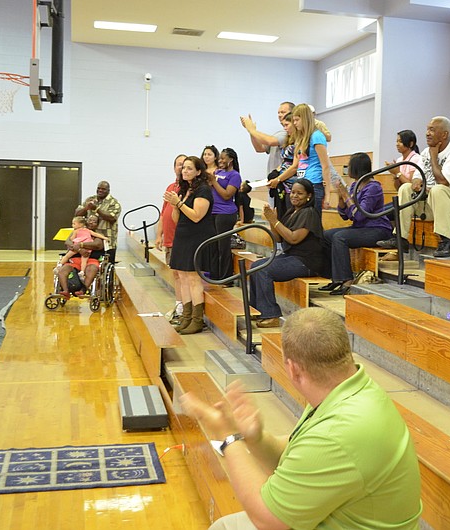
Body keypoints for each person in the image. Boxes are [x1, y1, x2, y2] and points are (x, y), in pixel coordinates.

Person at [180, 307, 422, 530]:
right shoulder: (351, 389)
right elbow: (293, 458)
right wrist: (256, 438)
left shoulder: (336, 433)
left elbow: (266, 518)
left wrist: (228, 437)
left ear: (293, 369)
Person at [379, 116, 450, 258]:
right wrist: (416, 181)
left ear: (444, 134)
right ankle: (401, 238)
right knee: (405, 188)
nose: (427, 133)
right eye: (427, 129)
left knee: (438, 189)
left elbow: (442, 181)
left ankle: (445, 241)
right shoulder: (424, 152)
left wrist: (434, 156)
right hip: (433, 205)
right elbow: (418, 174)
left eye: (432, 130)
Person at [250, 179, 324, 328]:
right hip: (292, 256)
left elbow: (293, 238)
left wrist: (275, 221)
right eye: (293, 192)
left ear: (309, 196)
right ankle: (258, 310)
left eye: (300, 193)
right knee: (255, 266)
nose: (295, 196)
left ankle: (271, 315)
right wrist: (272, 222)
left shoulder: (309, 213)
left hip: (307, 261)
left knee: (263, 270)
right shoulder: (292, 211)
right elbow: (278, 238)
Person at [319, 152, 392, 296]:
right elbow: (346, 216)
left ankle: (346, 280)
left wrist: (346, 196)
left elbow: (359, 215)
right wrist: (341, 198)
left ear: (357, 168)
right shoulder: (354, 186)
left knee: (340, 237)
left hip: (377, 229)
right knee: (325, 236)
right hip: (361, 228)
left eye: (350, 165)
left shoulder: (373, 187)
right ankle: (335, 277)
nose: (347, 168)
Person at [163, 156, 217, 335]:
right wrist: (176, 206)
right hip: (183, 235)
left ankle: (197, 319)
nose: (184, 171)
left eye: (189, 168)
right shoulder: (185, 189)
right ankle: (186, 317)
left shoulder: (203, 190)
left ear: (199, 171)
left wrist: (178, 203)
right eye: (183, 168)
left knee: (193, 278)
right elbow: (177, 219)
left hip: (197, 237)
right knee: (182, 277)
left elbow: (196, 216)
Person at [156, 154, 187, 322]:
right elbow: (163, 213)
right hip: (168, 237)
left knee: (182, 274)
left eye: (184, 165)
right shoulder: (170, 186)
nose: (180, 168)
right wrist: (158, 235)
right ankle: (179, 304)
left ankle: (184, 308)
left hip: (180, 237)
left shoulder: (188, 188)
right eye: (178, 164)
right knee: (175, 274)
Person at [209, 147, 242, 280]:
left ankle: (226, 277)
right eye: (220, 158)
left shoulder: (234, 175)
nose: (220, 160)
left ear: (231, 160)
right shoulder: (217, 172)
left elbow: (227, 195)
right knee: (213, 246)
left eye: (223, 158)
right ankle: (215, 275)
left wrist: (214, 181)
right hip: (213, 212)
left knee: (223, 247)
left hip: (225, 213)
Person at [241, 101, 295, 178]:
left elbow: (269, 141)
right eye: (278, 112)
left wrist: (252, 130)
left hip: (282, 178)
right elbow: (259, 148)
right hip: (273, 177)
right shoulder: (279, 133)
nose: (280, 115)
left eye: (283, 112)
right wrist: (251, 132)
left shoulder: (287, 134)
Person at [75, 180, 121, 263]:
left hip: (106, 241)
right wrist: (86, 208)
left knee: (106, 266)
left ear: (108, 190)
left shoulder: (114, 203)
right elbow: (77, 214)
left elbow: (112, 217)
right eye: (98, 188)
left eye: (103, 189)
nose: (100, 190)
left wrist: (96, 209)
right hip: (89, 239)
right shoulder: (90, 200)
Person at [56, 227, 104, 299]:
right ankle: (66, 291)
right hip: (75, 259)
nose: (91, 223)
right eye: (89, 220)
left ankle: (83, 290)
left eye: (94, 221)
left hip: (91, 260)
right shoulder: (77, 232)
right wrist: (79, 249)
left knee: (92, 269)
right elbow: (68, 242)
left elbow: (97, 245)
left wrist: (80, 244)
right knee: (63, 270)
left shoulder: (97, 235)